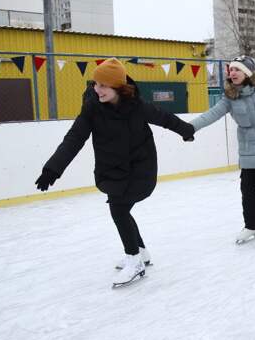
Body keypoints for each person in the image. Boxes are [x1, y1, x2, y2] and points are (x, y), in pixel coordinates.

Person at [34, 58, 195, 288]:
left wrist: (186, 130)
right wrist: (53, 169)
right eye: (95, 84)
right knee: (121, 209)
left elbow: (164, 118)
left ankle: (135, 261)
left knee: (118, 209)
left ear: (118, 87)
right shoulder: (92, 109)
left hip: (141, 169)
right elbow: (74, 138)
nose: (96, 89)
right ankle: (141, 252)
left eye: (103, 85)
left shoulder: (137, 106)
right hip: (112, 171)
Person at [190, 55, 255, 249]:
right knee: (247, 189)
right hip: (247, 146)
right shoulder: (230, 97)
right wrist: (191, 127)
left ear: (246, 72)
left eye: (237, 69)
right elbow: (212, 114)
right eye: (231, 70)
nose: (232, 72)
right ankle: (251, 226)